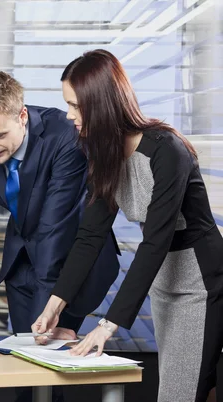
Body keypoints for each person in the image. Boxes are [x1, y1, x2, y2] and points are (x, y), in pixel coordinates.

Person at [33, 49, 223, 402]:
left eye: (76, 106)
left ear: (102, 102)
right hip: (163, 282)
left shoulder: (167, 151)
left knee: (180, 391)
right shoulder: (106, 155)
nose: (69, 115)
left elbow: (155, 241)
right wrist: (54, 304)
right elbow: (90, 235)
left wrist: (108, 325)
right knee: (187, 385)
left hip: (201, 282)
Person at [0, 71, 119, 341]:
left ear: (22, 116)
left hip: (72, 261)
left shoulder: (64, 136)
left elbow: (54, 230)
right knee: (23, 356)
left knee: (46, 351)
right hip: (21, 260)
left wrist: (46, 313)